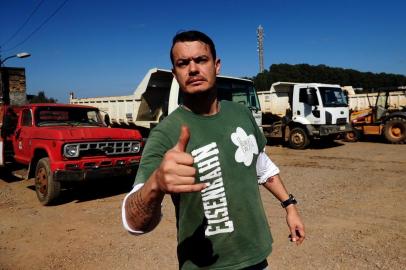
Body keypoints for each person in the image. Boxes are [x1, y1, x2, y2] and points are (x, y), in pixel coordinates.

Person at [122, 30, 305, 270]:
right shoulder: (165, 134)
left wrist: (290, 206)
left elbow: (263, 167)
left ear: (216, 65)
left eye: (201, 60)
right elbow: (133, 223)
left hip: (257, 258)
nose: (193, 68)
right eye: (183, 63)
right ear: (175, 74)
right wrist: (155, 184)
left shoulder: (241, 114)